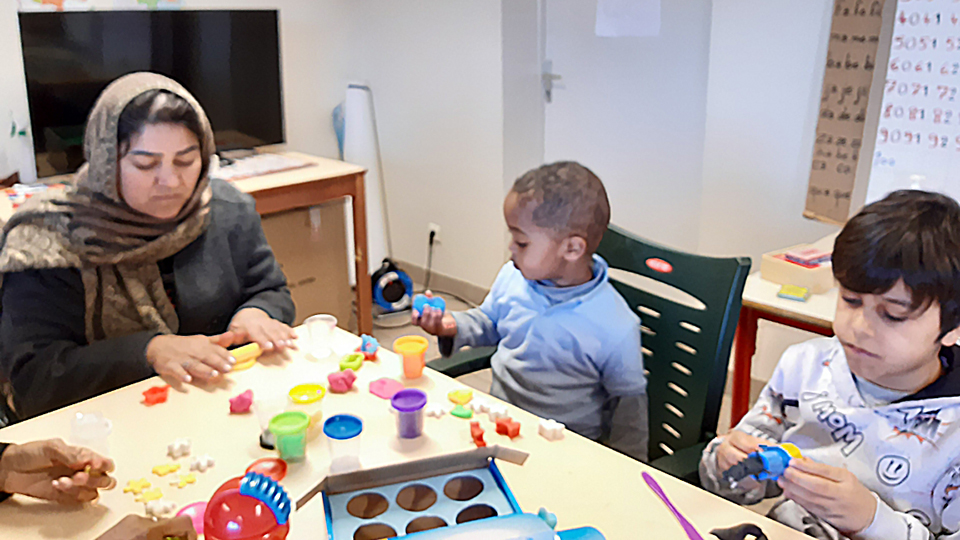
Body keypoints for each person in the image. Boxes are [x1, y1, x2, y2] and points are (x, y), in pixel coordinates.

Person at [0, 73, 296, 419]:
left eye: (186, 160)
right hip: (102, 428)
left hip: (219, 409)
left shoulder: (224, 210)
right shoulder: (48, 239)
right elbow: (34, 380)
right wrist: (148, 351)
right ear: (106, 162)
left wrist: (257, 312)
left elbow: (270, 289)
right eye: (145, 164)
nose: (170, 181)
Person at [700, 190, 960, 539]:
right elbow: (734, 480)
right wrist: (728, 461)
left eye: (893, 315)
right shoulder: (807, 367)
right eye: (850, 300)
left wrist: (871, 521)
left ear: (953, 327)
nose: (859, 327)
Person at [414, 162, 648, 460]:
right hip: (500, 425)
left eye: (522, 242)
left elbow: (629, 413)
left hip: (564, 450)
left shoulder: (615, 324)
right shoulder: (513, 278)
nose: (511, 248)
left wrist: (628, 471)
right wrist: (450, 325)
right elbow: (489, 322)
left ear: (572, 249)